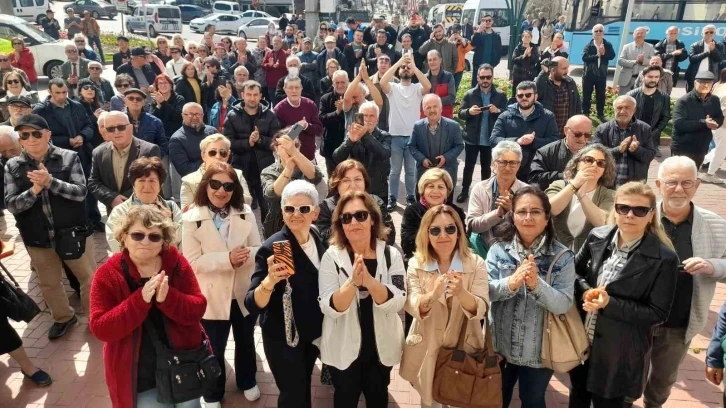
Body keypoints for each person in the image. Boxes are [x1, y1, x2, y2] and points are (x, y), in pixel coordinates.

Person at [569, 182, 679, 407]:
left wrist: (609, 303)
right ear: (615, 210)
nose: (630, 215)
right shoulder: (598, 236)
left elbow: (657, 313)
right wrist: (586, 292)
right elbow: (572, 272)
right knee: (578, 398)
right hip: (582, 341)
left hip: (619, 353)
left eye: (639, 210)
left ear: (651, 215)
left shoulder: (664, 258)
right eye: (623, 208)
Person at [89, 205, 207, 408]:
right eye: (137, 235)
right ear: (123, 237)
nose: (145, 241)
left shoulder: (176, 263)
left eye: (154, 237)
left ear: (163, 242)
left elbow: (198, 308)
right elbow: (100, 328)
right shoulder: (107, 274)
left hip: (183, 363)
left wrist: (169, 298)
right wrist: (139, 301)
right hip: (138, 375)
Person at [639, 157, 722, 406]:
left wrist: (712, 265)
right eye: (672, 182)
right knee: (629, 378)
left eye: (686, 183)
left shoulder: (716, 224)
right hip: (637, 319)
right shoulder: (640, 215)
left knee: (663, 382)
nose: (679, 189)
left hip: (679, 323)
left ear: (697, 185)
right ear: (658, 184)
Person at [5, 114, 96, 340]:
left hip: (73, 233)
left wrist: (50, 182)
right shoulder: (13, 165)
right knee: (49, 284)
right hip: (37, 238)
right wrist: (34, 190)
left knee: (88, 279)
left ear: (48, 134)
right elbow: (12, 204)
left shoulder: (69, 157)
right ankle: (63, 318)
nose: (31, 139)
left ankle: (95, 317)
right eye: (24, 135)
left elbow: (80, 193)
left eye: (37, 133)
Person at [487, 186, 575, 408]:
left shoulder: (562, 256)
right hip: (500, 347)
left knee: (533, 401)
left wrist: (537, 285)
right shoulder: (498, 250)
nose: (528, 217)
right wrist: (512, 283)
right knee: (496, 399)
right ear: (513, 216)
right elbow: (486, 291)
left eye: (536, 211)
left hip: (538, 353)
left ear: (547, 218)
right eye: (522, 211)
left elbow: (563, 304)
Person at [181, 161, 261, 405]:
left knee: (246, 340)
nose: (221, 191)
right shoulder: (191, 218)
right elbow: (192, 262)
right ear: (205, 185)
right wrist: (227, 259)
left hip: (242, 290)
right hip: (213, 295)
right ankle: (213, 392)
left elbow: (259, 249)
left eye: (228, 185)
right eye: (215, 184)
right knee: (214, 346)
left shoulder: (245, 213)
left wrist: (243, 256)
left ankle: (247, 380)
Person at [318, 190, 406, 407]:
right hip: (343, 347)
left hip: (379, 349)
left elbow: (397, 300)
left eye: (360, 215)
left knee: (377, 399)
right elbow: (328, 306)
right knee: (345, 399)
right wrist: (354, 283)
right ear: (340, 224)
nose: (354, 222)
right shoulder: (331, 256)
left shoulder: (391, 254)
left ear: (372, 219)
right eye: (346, 217)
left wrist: (369, 281)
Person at [245, 180, 326, 408]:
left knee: (302, 387)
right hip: (283, 338)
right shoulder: (273, 247)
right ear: (282, 212)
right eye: (290, 208)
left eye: (304, 209)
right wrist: (270, 280)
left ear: (316, 212)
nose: (296, 214)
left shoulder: (317, 237)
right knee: (292, 395)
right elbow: (252, 303)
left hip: (310, 333)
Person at [400, 202, 489, 407]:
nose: (443, 235)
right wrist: (432, 295)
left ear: (458, 232)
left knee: (459, 399)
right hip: (428, 347)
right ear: (426, 234)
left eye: (450, 228)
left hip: (463, 348)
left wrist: (461, 293)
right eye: (435, 230)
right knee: (429, 401)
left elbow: (481, 307)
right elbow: (412, 302)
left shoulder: (476, 264)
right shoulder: (416, 264)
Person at [33, 78, 101, 229]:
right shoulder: (41, 111)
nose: (62, 96)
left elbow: (89, 125)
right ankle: (76, 223)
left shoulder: (76, 106)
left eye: (64, 92)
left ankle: (94, 219)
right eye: (58, 93)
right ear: (49, 92)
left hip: (82, 153)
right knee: (67, 190)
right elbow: (42, 136)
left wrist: (82, 136)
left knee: (88, 187)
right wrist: (67, 141)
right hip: (58, 158)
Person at [380, 50, 431, 210]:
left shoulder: (417, 88)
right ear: (398, 71)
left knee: (410, 171)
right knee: (394, 171)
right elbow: (382, 81)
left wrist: (414, 66)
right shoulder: (393, 88)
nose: (406, 69)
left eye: (407, 67)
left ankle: (410, 196)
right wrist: (399, 61)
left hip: (412, 138)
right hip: (394, 137)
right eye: (403, 67)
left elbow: (428, 86)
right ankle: (392, 198)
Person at [224, 80, 281, 215]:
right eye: (249, 94)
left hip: (265, 168)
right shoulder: (232, 116)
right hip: (241, 168)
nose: (252, 98)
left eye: (255, 95)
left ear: (261, 96)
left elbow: (276, 141)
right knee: (241, 209)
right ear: (242, 95)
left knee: (268, 208)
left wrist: (259, 140)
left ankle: (269, 235)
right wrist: (247, 143)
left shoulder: (270, 115)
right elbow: (228, 142)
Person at [546, 144, 615, 251]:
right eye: (589, 160)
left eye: (601, 163)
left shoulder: (608, 194)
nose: (594, 165)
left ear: (604, 171)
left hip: (588, 255)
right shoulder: (559, 185)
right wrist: (573, 186)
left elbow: (603, 223)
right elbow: (550, 209)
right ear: (577, 164)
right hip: (555, 252)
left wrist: (582, 196)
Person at [105, 156, 183, 252]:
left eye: (152, 181)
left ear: (161, 185)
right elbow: (116, 245)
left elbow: (183, 239)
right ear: (133, 185)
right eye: (141, 180)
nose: (147, 186)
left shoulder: (171, 208)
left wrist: (167, 222)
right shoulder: (121, 211)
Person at [89, 111, 161, 212]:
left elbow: (154, 181)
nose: (116, 132)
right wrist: (112, 198)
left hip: (145, 211)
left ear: (131, 128)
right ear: (105, 132)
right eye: (111, 129)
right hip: (114, 213)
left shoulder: (149, 150)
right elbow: (93, 182)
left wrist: (126, 201)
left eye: (121, 127)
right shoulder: (98, 152)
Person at [457, 63, 507, 203]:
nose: (485, 80)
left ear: (492, 78)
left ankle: (485, 193)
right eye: (482, 77)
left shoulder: (500, 95)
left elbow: (508, 114)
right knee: (469, 166)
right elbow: (460, 113)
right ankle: (465, 191)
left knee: (486, 167)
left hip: (489, 138)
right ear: (478, 78)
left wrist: (497, 111)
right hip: (472, 138)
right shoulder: (470, 94)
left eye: (488, 77)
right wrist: (469, 112)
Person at [491, 81, 560, 181]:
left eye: (528, 95)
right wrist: (517, 141)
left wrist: (534, 141)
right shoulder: (505, 116)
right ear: (516, 97)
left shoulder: (547, 116)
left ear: (535, 96)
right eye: (520, 95)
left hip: (536, 170)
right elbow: (494, 139)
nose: (524, 98)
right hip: (509, 168)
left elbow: (555, 141)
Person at [316, 159, 395, 244]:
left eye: (358, 179)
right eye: (346, 180)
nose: (353, 185)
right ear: (337, 183)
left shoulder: (376, 202)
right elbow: (325, 240)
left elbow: (389, 236)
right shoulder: (326, 207)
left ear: (365, 182)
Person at [260, 129, 323, 237]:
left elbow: (316, 176)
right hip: (278, 227)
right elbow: (271, 194)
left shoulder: (305, 167)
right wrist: (288, 169)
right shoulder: (268, 171)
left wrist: (294, 152)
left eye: (295, 145)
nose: (290, 148)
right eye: (285, 145)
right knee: (282, 254)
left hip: (305, 223)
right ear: (276, 148)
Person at [466, 140, 528, 249]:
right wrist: (497, 214)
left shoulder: (528, 192)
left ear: (519, 165)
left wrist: (512, 211)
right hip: (484, 248)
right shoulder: (480, 189)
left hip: (518, 249)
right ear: (494, 164)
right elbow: (472, 225)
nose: (508, 168)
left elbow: (532, 227)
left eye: (513, 163)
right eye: (503, 162)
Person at [401, 167, 467, 264]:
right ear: (423, 190)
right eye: (431, 186)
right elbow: (406, 244)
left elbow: (464, 240)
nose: (435, 191)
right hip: (421, 261)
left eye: (440, 187)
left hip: (451, 262)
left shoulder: (456, 211)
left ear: (447, 192)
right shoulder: (412, 211)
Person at [332, 101, 391, 200]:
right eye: (365, 116)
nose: (368, 119)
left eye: (372, 116)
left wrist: (365, 136)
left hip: (377, 190)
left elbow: (384, 154)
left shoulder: (385, 136)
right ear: (359, 117)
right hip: (355, 188)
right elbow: (337, 157)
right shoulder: (352, 135)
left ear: (377, 119)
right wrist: (350, 141)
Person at [592, 95, 656, 186]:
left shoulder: (645, 129)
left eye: (627, 108)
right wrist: (618, 150)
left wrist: (636, 150)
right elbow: (594, 155)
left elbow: (650, 156)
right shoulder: (602, 129)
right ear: (614, 109)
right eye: (619, 108)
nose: (622, 111)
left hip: (634, 185)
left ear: (634, 110)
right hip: (606, 185)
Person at [408, 94, 464, 196]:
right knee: (422, 205)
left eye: (435, 106)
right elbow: (412, 146)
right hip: (424, 173)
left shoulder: (453, 126)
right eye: (428, 107)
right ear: (424, 110)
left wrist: (445, 158)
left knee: (445, 206)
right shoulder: (418, 126)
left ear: (441, 108)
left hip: (447, 172)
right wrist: (422, 159)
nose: (432, 110)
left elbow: (459, 145)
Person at [180, 134, 251, 210]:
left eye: (223, 153)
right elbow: (185, 213)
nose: (218, 156)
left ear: (228, 155)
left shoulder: (238, 174)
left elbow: (247, 202)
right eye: (212, 153)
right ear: (203, 155)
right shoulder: (189, 180)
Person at [672, 71, 724, 170]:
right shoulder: (684, 101)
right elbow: (679, 123)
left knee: (693, 174)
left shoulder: (714, 100)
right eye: (702, 82)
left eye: (709, 83)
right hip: (683, 145)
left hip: (702, 145)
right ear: (695, 83)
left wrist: (715, 123)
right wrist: (703, 123)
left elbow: (719, 117)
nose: (706, 85)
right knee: (678, 174)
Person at [529, 115, 593, 190]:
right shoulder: (545, 152)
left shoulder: (597, 152)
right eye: (577, 134)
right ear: (566, 130)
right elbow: (534, 179)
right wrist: (565, 176)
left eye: (587, 135)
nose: (582, 139)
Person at [273, 76, 323, 161]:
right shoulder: (279, 109)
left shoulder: (310, 104)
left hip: (309, 157)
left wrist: (306, 126)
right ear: (284, 89)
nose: (294, 91)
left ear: (301, 88)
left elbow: (319, 130)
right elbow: (277, 139)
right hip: (290, 159)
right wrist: (296, 129)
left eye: (297, 87)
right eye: (290, 88)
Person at [628, 66, 671, 158]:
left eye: (656, 77)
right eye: (650, 77)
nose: (653, 80)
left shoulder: (664, 97)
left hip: (652, 138)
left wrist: (654, 132)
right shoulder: (632, 95)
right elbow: (626, 116)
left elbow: (665, 117)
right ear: (642, 77)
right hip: (632, 137)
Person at [535, 56, 582, 135]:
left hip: (567, 132)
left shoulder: (570, 83)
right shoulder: (544, 84)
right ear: (553, 70)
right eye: (564, 69)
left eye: (567, 68)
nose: (567, 71)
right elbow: (537, 90)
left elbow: (577, 103)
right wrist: (544, 72)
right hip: (549, 132)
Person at [582, 24, 616, 122]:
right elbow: (584, 58)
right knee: (586, 95)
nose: (598, 32)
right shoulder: (589, 45)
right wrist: (597, 55)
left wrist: (604, 53)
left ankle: (600, 114)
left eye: (600, 31)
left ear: (603, 33)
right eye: (596, 31)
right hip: (588, 75)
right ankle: (586, 112)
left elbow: (612, 56)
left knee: (601, 95)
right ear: (593, 34)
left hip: (601, 75)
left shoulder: (607, 44)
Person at [319, 70, 349, 176]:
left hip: (350, 145)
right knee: (333, 177)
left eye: (343, 82)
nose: (340, 85)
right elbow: (322, 119)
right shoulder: (325, 98)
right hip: (331, 144)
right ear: (333, 83)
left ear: (348, 82)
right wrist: (337, 112)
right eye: (337, 82)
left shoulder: (355, 97)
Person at [617, 27, 655, 95]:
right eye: (638, 33)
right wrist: (635, 61)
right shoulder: (626, 47)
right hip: (627, 79)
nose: (639, 35)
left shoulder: (650, 47)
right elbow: (620, 61)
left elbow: (653, 62)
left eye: (642, 34)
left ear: (645, 35)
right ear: (633, 35)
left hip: (642, 79)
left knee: (639, 100)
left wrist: (644, 60)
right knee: (623, 99)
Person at [685, 25, 725, 91]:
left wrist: (714, 50)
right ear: (702, 34)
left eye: (711, 32)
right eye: (706, 32)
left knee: (709, 99)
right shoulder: (695, 45)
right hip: (695, 77)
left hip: (711, 77)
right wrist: (707, 53)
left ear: (714, 34)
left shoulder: (719, 45)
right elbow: (692, 59)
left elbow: (720, 59)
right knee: (692, 98)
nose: (709, 34)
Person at [703, 68, 726, 182]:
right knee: (721, 151)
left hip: (716, 122)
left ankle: (700, 161)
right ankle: (710, 174)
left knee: (719, 149)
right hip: (723, 125)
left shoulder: (718, 85)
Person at [470, 15, 503, 89]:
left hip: (490, 66)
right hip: (478, 66)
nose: (487, 22)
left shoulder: (496, 36)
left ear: (492, 22)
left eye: (489, 20)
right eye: (485, 20)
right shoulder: (479, 34)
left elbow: (499, 51)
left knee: (487, 86)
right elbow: (472, 43)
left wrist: (495, 63)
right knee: (475, 87)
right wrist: (478, 31)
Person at [149, 74, 185, 142]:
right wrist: (158, 106)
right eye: (160, 83)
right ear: (157, 87)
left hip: (175, 136)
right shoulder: (154, 101)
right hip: (160, 137)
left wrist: (163, 102)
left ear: (171, 86)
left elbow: (178, 116)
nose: (163, 85)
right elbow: (152, 120)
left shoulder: (179, 99)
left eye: (165, 82)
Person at [422, 50, 455, 118]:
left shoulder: (448, 76)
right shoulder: (423, 78)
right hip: (427, 117)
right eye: (430, 60)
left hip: (444, 116)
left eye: (434, 59)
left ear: (440, 60)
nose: (432, 62)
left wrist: (435, 102)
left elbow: (452, 97)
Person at [262, 36, 289, 105]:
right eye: (275, 41)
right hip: (271, 85)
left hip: (282, 85)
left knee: (282, 104)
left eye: (279, 42)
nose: (276, 43)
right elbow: (263, 66)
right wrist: (269, 65)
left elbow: (288, 68)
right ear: (272, 43)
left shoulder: (285, 54)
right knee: (274, 104)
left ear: (281, 44)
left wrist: (279, 66)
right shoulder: (268, 53)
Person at [450, 25, 472, 90]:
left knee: (455, 88)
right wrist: (450, 41)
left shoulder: (464, 41)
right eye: (454, 32)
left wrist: (462, 40)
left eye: (457, 32)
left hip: (459, 70)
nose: (455, 34)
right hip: (449, 69)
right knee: (448, 88)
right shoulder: (448, 40)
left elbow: (468, 49)